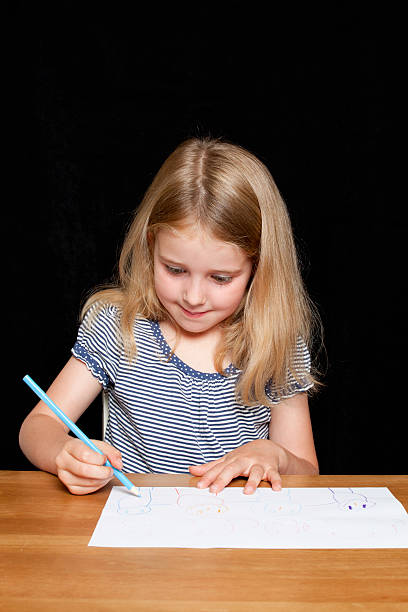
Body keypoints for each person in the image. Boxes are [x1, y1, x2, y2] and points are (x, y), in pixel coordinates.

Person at [19, 136, 321, 496]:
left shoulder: (277, 344)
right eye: (175, 270)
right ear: (151, 245)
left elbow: (308, 475)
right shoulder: (118, 327)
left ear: (258, 267)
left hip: (234, 542)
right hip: (133, 537)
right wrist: (63, 453)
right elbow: (38, 425)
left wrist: (277, 456)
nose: (193, 297)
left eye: (221, 278)